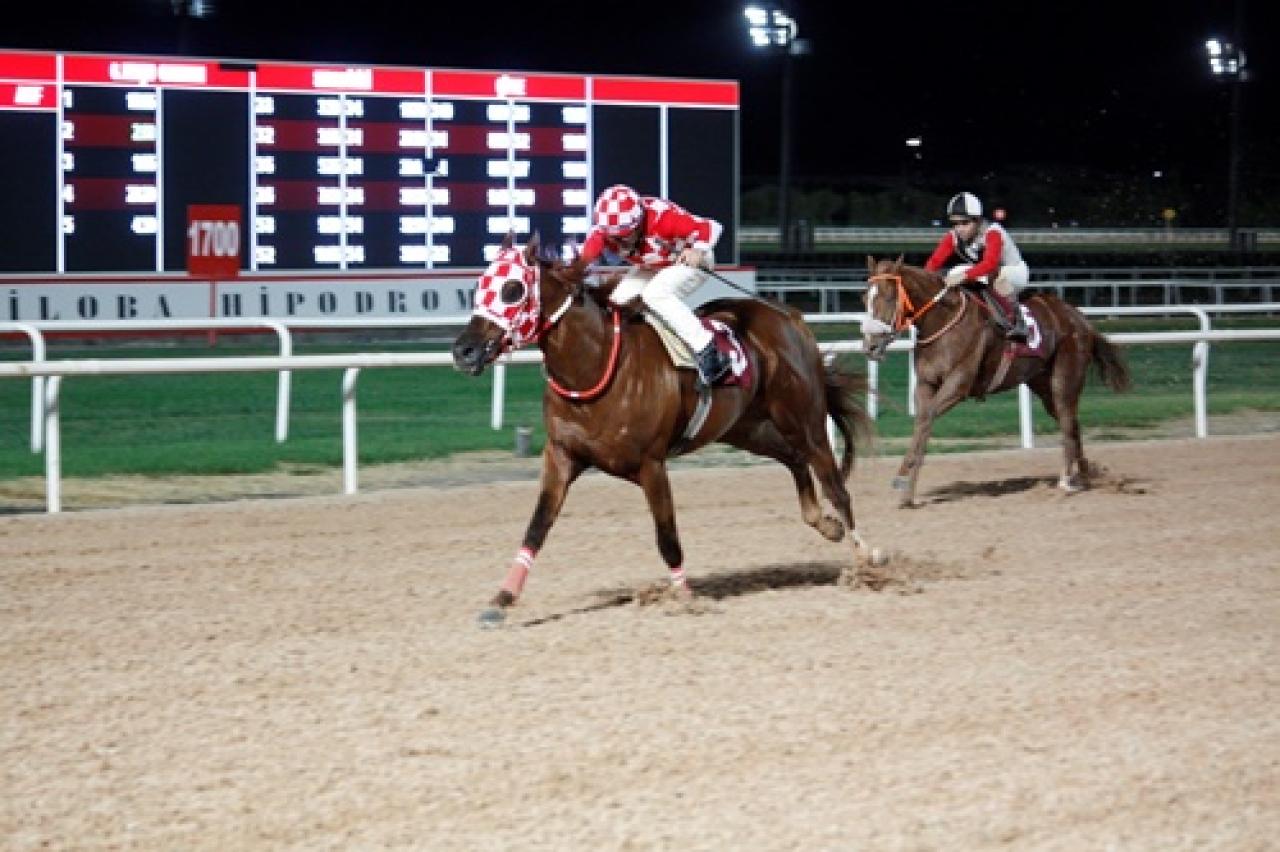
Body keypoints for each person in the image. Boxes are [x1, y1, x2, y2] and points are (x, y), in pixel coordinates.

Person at [579, 184, 730, 386]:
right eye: (613, 238)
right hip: (653, 266)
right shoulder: (601, 232)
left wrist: (698, 249)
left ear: (639, 223)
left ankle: (709, 350)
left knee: (655, 294)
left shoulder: (663, 217)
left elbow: (712, 226)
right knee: (616, 303)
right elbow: (580, 264)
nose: (619, 244)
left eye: (624, 236)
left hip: (691, 262)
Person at [924, 192, 1029, 339]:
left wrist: (963, 276)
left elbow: (990, 264)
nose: (959, 229)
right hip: (989, 272)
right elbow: (934, 262)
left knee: (997, 277)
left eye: (965, 223)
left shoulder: (993, 232)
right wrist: (924, 281)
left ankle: (1019, 322)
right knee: (955, 272)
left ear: (978, 221)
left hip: (1014, 271)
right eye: (955, 224)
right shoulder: (953, 236)